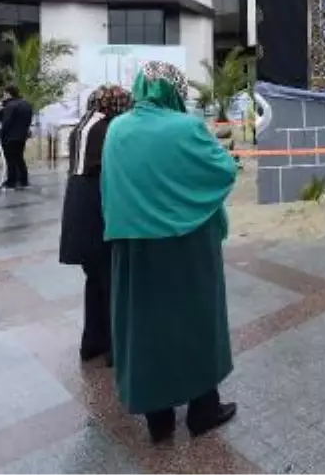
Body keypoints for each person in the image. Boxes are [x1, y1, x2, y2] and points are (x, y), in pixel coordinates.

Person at [102, 61, 239, 443]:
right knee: (194, 321)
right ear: (176, 91)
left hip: (134, 247)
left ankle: (157, 418)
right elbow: (224, 171)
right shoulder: (187, 127)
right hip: (187, 243)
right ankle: (202, 409)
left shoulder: (117, 129)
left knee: (145, 327)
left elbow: (109, 187)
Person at [59, 85, 131, 366]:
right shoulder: (110, 128)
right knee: (111, 280)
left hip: (78, 205)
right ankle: (116, 348)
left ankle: (92, 342)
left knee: (95, 279)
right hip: (98, 204)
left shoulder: (84, 124)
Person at [0, 84, 33, 189]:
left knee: (10, 160)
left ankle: (11, 181)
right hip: (22, 136)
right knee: (19, 158)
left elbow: (6, 122)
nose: (3, 96)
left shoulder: (10, 105)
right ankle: (23, 180)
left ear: (8, 93)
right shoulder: (26, 104)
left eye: (4, 94)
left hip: (10, 137)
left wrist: (1, 134)